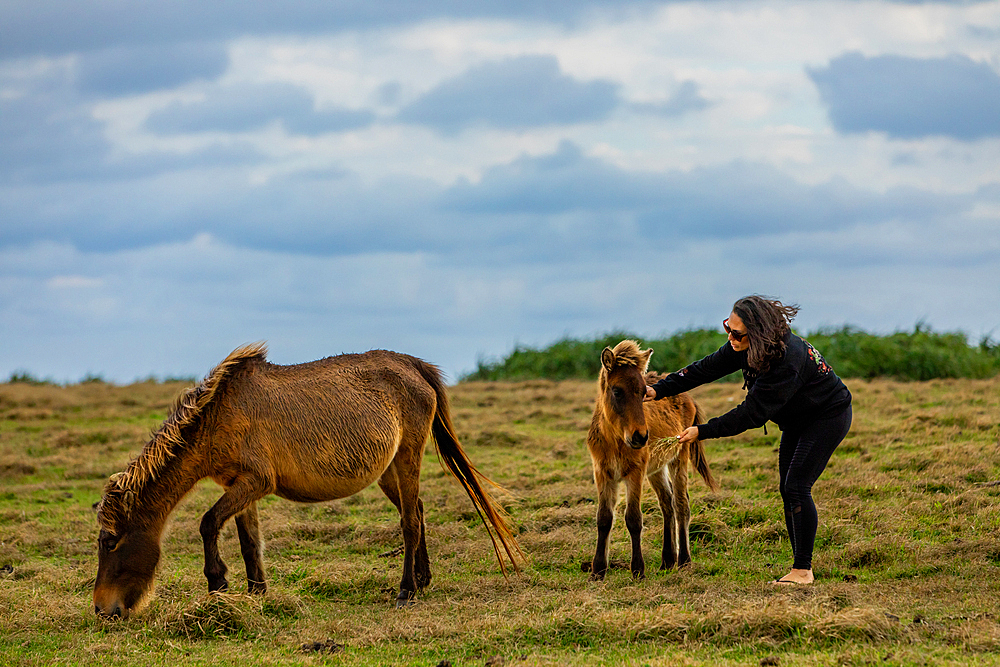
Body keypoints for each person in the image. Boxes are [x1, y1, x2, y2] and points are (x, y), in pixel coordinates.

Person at [644, 295, 852, 584]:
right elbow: (705, 369)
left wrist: (702, 431)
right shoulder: (744, 345)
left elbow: (750, 415)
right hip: (794, 419)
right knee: (786, 488)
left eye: (736, 332)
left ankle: (802, 571)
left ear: (758, 332)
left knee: (797, 486)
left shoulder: (786, 361)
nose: (730, 337)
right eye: (727, 327)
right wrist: (659, 390)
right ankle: (799, 565)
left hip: (826, 417)